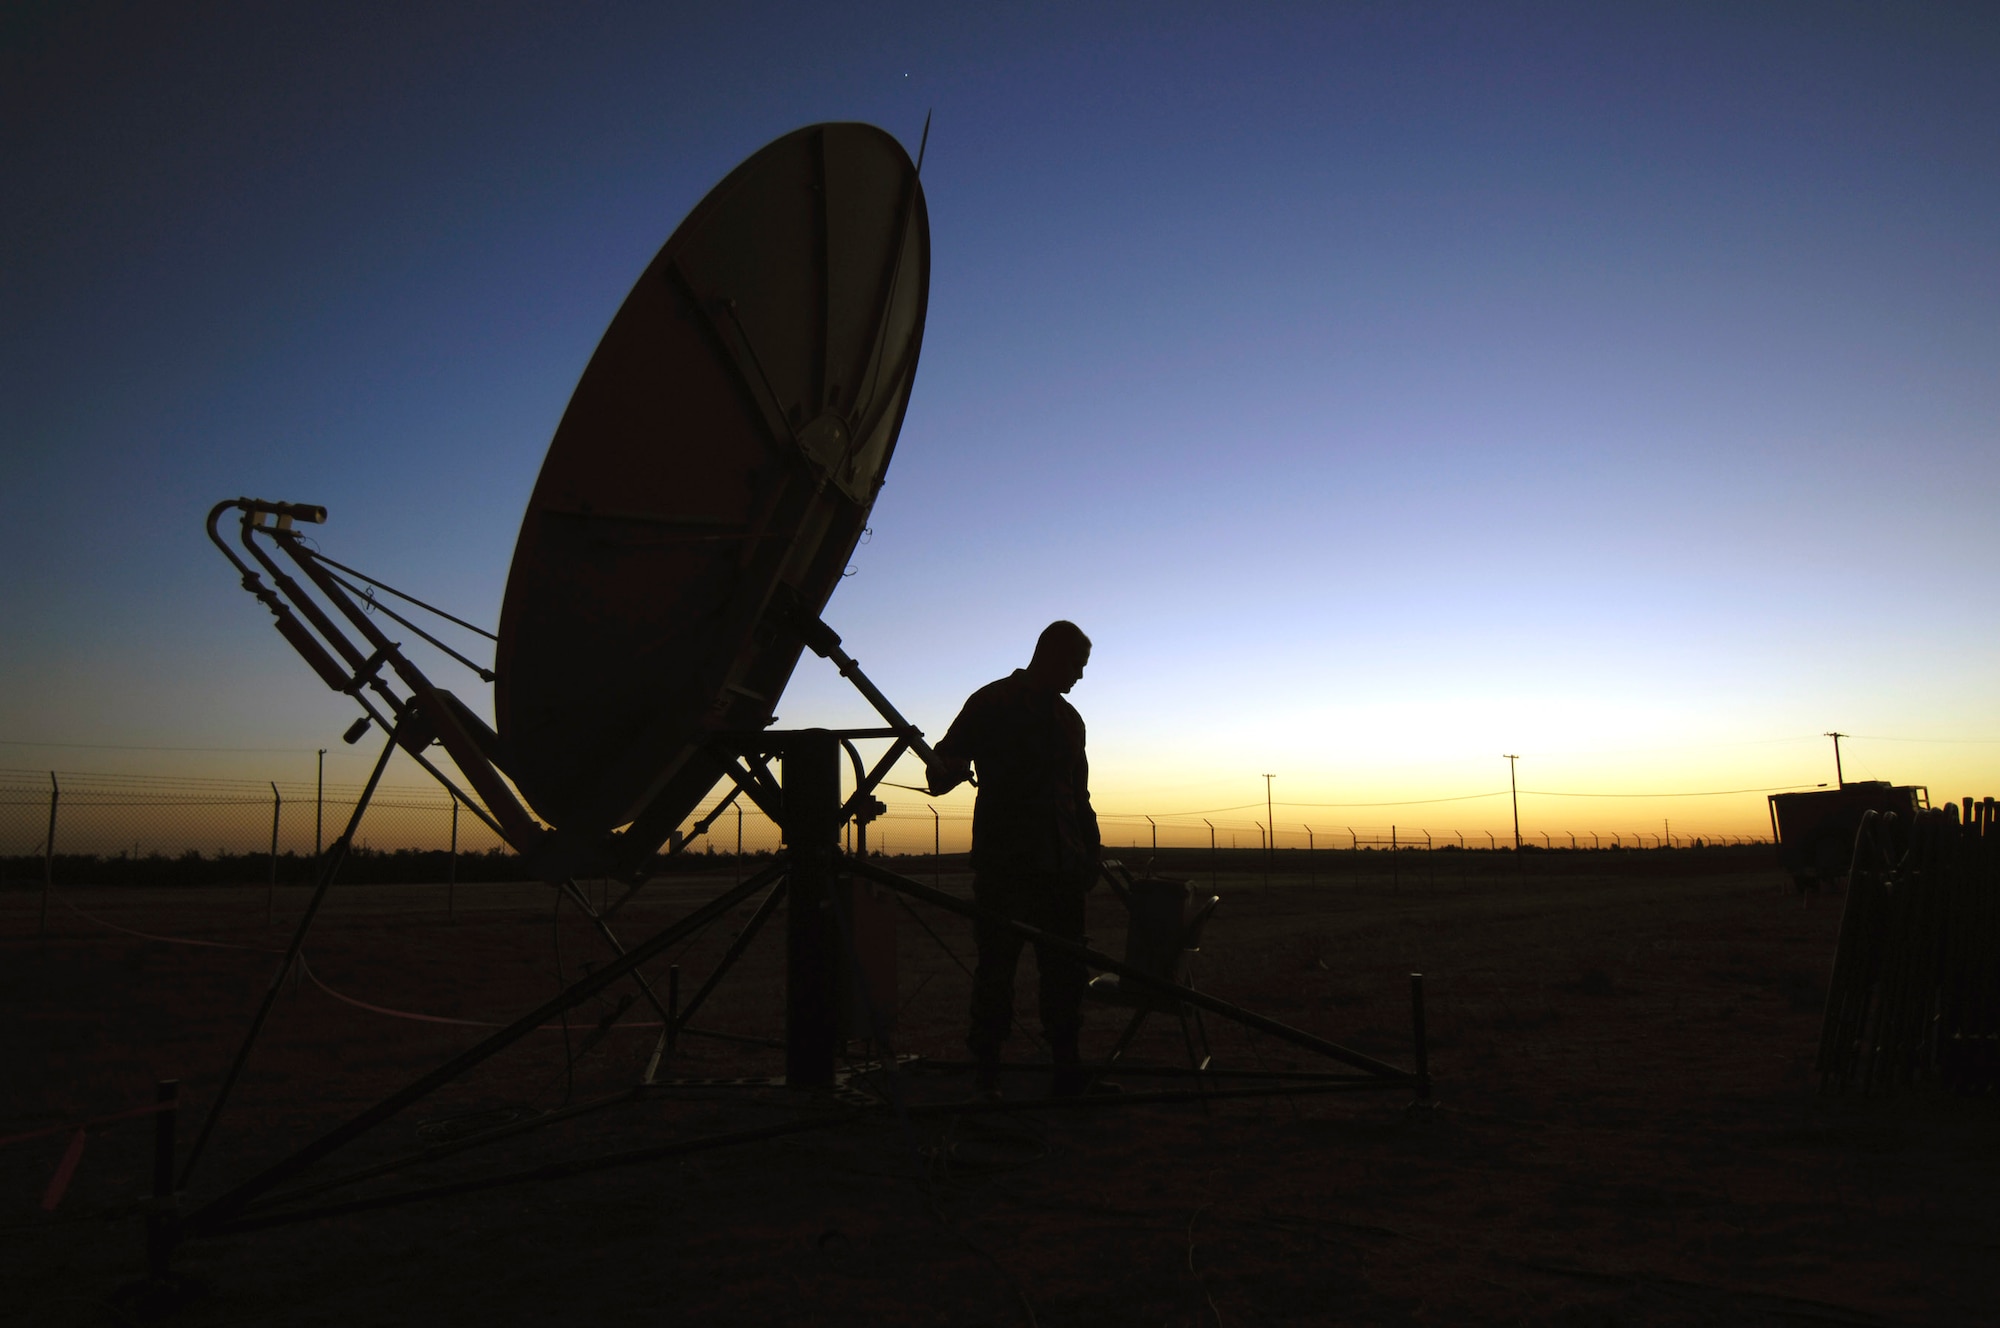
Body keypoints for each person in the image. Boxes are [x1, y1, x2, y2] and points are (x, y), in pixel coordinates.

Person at [927, 620, 1102, 1098]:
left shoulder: (1070, 721)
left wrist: (1092, 852)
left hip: (1063, 868)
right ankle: (986, 1076)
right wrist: (944, 769)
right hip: (1006, 866)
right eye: (1076, 666)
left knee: (1065, 972)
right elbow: (946, 763)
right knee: (997, 971)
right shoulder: (991, 703)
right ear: (1049, 654)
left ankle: (1067, 1069)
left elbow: (1079, 795)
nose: (1080, 677)